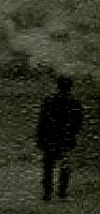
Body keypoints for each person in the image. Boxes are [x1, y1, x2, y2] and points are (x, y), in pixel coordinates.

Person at [37, 73, 83, 201]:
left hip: (50, 138)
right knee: (65, 166)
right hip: (66, 139)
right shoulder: (74, 103)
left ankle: (47, 193)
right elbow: (78, 123)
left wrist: (41, 139)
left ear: (58, 86)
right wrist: (72, 134)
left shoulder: (49, 100)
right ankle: (62, 192)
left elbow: (42, 121)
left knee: (48, 167)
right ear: (70, 87)